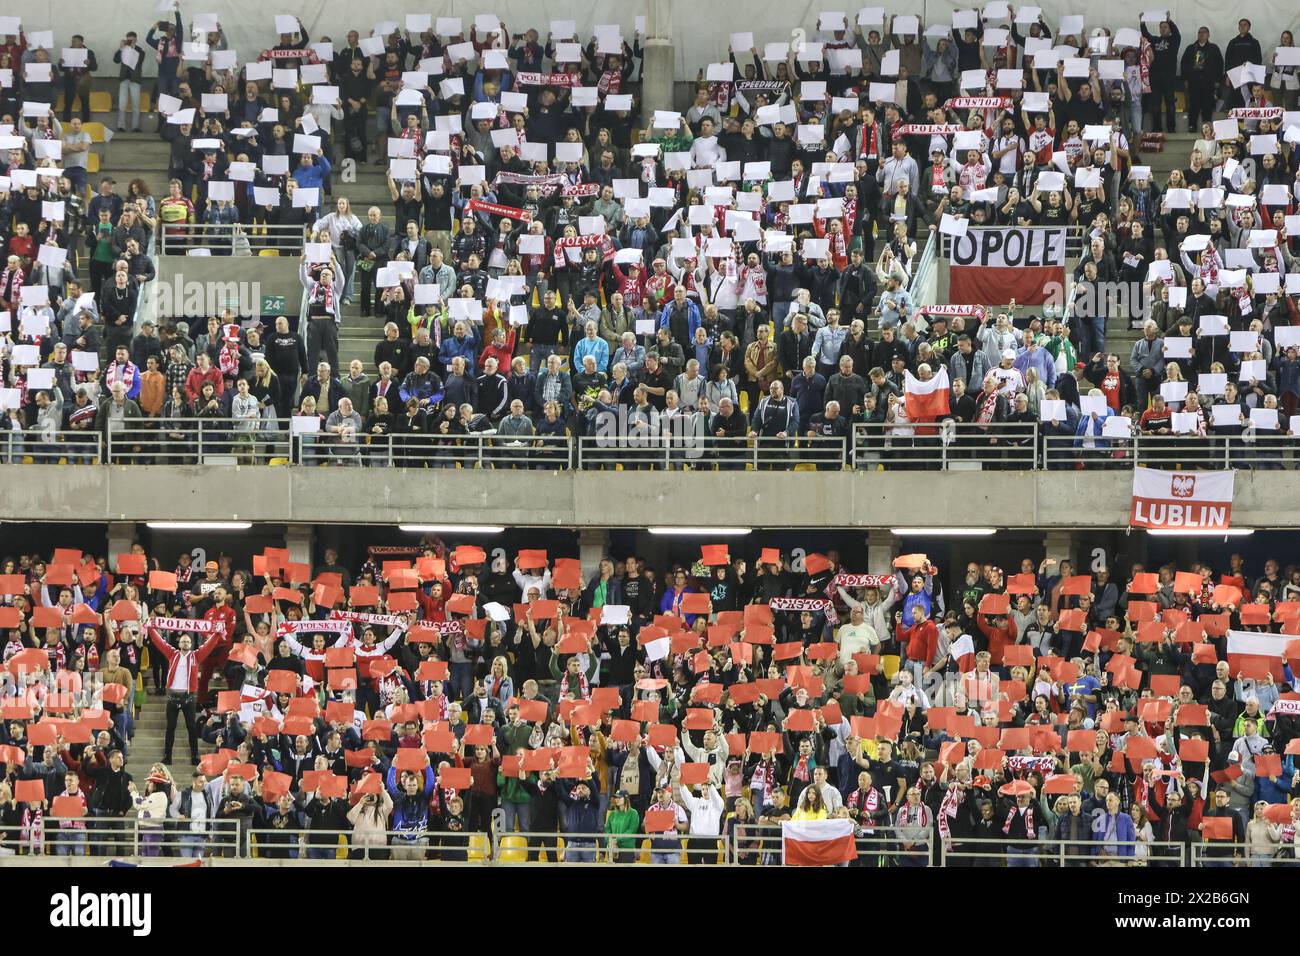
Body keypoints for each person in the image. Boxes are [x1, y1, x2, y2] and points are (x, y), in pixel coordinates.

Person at [146, 621, 228, 765]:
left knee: (191, 728)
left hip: (188, 698)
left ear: (191, 644)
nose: (185, 643)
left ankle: (195, 756)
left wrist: (216, 633)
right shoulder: (172, 654)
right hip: (173, 697)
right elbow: (159, 642)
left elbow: (209, 645)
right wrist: (150, 628)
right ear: (179, 644)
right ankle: (167, 756)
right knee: (170, 727)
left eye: (188, 641)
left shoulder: (196, 656)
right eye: (183, 641)